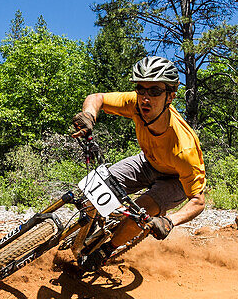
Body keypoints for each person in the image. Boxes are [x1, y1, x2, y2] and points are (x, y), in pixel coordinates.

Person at [70, 56, 206, 267]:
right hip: (147, 162)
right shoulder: (135, 103)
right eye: (141, 89)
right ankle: (85, 232)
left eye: (154, 92)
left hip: (174, 179)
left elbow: (198, 201)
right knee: (95, 188)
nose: (145, 98)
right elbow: (98, 98)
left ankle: (107, 250)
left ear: (170, 97)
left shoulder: (184, 148)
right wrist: (88, 115)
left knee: (141, 210)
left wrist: (170, 221)